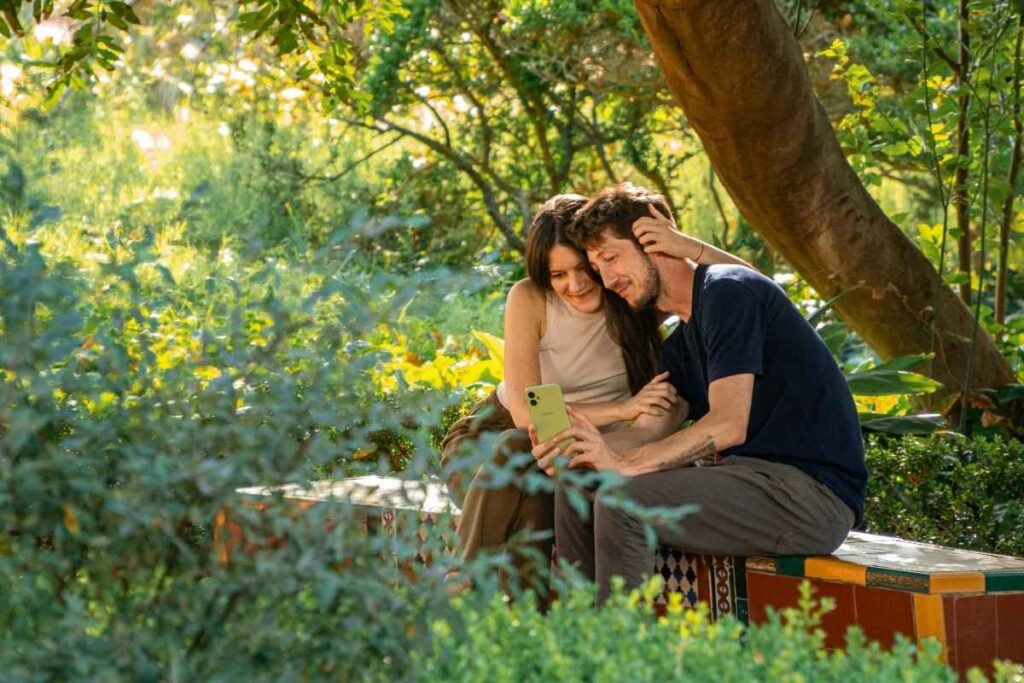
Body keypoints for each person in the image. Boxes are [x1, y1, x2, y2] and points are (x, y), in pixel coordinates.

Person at [532, 183, 865, 604]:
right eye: (598, 267)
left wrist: (623, 463)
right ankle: (575, 637)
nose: (608, 278)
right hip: (749, 483)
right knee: (579, 482)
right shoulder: (681, 345)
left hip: (809, 496)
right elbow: (648, 432)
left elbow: (727, 424)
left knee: (621, 501)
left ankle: (612, 656)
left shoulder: (727, 293)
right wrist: (581, 448)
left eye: (611, 258)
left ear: (653, 242)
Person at [440, 192, 748, 591]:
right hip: (487, 442)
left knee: (541, 486)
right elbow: (529, 415)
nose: (575, 284)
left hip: (572, 447)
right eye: (558, 275)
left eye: (584, 267)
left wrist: (685, 245)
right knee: (521, 451)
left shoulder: (633, 297)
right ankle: (474, 586)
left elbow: (748, 285)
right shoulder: (530, 299)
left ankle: (492, 608)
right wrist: (623, 408)